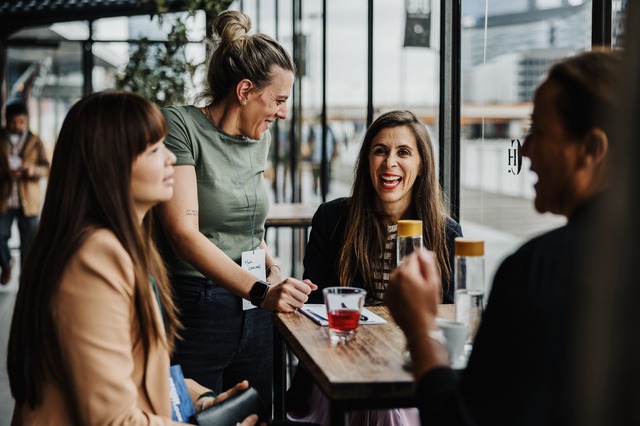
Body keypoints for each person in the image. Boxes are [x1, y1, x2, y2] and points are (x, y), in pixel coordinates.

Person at [386, 49, 622, 425]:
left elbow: (462, 419)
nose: (524, 149)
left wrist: (419, 328)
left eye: (538, 131)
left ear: (592, 149)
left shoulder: (539, 271)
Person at [6, 91, 260, 425]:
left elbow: (133, 369)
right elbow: (112, 420)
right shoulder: (94, 257)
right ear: (110, 165)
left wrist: (200, 401)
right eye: (155, 149)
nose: (171, 159)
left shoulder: (122, 243)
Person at [154, 9, 316, 409]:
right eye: (278, 99)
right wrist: (263, 291)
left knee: (255, 415)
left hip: (254, 306)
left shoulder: (257, 138)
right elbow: (183, 233)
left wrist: (276, 273)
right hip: (196, 307)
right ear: (245, 91)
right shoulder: (180, 126)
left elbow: (250, 233)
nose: (283, 112)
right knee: (196, 416)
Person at [287, 110, 462, 426]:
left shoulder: (446, 233)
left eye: (403, 153)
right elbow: (313, 306)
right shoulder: (332, 219)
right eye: (380, 150)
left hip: (411, 368)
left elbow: (449, 314)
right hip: (341, 368)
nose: (389, 163)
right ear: (367, 160)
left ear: (422, 165)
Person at [0, 101, 50, 284]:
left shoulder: (35, 141)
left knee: (29, 245)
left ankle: (26, 283)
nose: (17, 126)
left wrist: (32, 170)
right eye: (14, 122)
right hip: (4, 200)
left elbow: (46, 167)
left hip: (29, 201)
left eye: (21, 122)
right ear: (7, 120)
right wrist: (5, 172)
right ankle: (6, 264)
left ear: (26, 121)